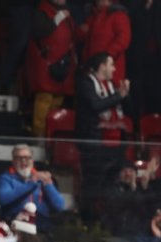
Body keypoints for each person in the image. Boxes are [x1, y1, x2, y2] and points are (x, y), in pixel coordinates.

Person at [75, 51, 131, 218]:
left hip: (115, 146)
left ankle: (106, 221)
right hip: (94, 144)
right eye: (111, 64)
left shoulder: (112, 86)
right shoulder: (85, 82)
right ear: (101, 66)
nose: (114, 69)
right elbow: (95, 105)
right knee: (92, 185)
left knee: (110, 185)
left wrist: (125, 94)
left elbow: (127, 109)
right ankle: (87, 220)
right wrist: (118, 96)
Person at [26, 0, 77, 138]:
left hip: (62, 65)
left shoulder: (66, 12)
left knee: (58, 100)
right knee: (44, 99)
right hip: (46, 65)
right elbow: (39, 31)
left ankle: (51, 134)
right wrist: (56, 20)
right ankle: (39, 135)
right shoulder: (42, 11)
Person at [0, 144, 66, 233]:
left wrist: (48, 184)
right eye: (19, 158)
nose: (24, 161)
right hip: (14, 226)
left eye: (27, 158)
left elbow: (59, 205)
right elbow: (3, 199)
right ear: (13, 161)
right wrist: (32, 183)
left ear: (32, 160)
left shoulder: (41, 177)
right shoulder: (5, 178)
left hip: (40, 229)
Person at [78, 0, 130, 86]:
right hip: (92, 69)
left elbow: (123, 39)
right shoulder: (93, 17)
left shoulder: (118, 15)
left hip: (110, 70)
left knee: (110, 96)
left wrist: (106, 56)